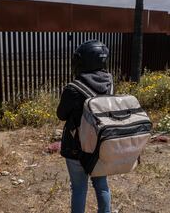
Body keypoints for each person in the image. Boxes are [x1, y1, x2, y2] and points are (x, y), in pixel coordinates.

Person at [57, 40, 113, 213]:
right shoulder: (108, 82)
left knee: (79, 189)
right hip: (100, 144)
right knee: (102, 186)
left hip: (76, 147)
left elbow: (61, 115)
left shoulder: (73, 88)